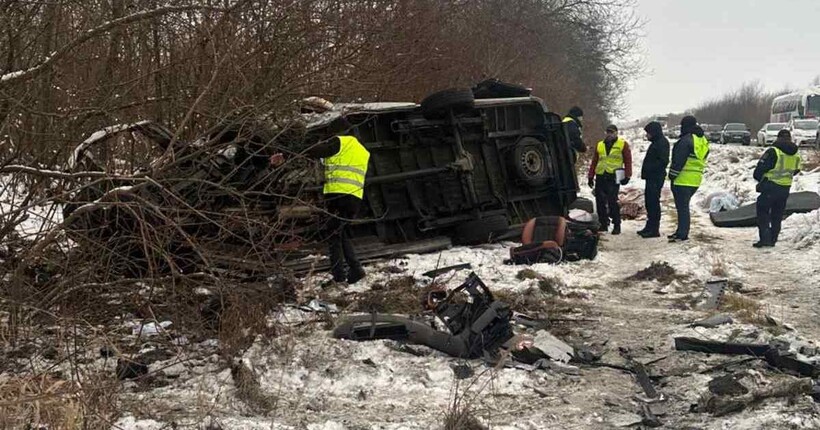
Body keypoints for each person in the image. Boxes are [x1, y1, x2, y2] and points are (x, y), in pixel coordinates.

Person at [271, 121, 370, 284]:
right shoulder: (361, 150)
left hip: (339, 196)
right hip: (354, 198)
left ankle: (339, 277)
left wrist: (285, 154)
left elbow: (316, 151)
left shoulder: (342, 142)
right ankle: (356, 269)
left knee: (332, 235)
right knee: (340, 233)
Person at [752, 129, 800, 248]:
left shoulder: (774, 151)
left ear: (778, 138)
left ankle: (765, 239)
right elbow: (797, 169)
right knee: (777, 215)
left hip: (770, 186)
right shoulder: (796, 153)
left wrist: (761, 179)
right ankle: (773, 239)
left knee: (763, 212)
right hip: (785, 188)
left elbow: (760, 170)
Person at [667, 116, 709, 243]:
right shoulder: (702, 140)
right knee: (684, 207)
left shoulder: (685, 140)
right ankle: (681, 231)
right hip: (695, 179)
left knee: (682, 208)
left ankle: (682, 233)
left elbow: (678, 161)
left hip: (682, 179)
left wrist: (672, 175)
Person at [587, 124, 632, 235]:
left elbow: (628, 161)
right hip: (601, 175)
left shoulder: (622, 144)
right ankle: (603, 224)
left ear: (616, 133)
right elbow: (594, 161)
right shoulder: (600, 145)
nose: (609, 134)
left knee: (613, 201)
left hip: (614, 176)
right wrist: (590, 176)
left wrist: (627, 175)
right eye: (608, 132)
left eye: (612, 132)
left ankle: (617, 225)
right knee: (600, 202)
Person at [637, 121, 670, 238]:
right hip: (651, 177)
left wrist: (650, 169)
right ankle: (649, 226)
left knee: (653, 202)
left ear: (654, 132)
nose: (647, 135)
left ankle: (654, 229)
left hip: (656, 177)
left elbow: (663, 161)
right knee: (649, 202)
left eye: (648, 133)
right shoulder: (656, 142)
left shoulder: (662, 143)